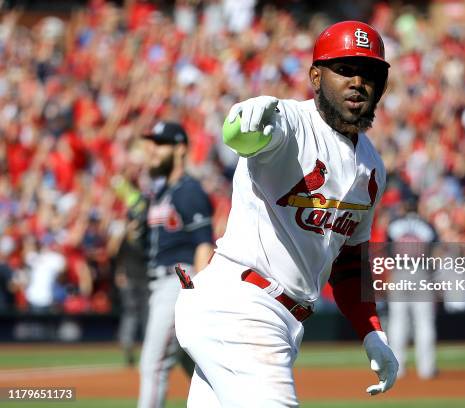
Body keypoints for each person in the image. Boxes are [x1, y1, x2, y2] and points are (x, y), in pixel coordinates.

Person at [175, 21, 399, 407]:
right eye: (344, 69)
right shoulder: (292, 123)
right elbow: (247, 135)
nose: (358, 81)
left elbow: (348, 263)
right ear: (315, 75)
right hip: (242, 306)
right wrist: (242, 122)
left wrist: (371, 331)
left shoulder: (373, 167)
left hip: (277, 320)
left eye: (369, 72)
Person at [138, 121, 215, 408]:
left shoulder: (188, 190)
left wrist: (195, 293)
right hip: (160, 282)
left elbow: (204, 243)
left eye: (160, 143)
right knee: (197, 367)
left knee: (153, 363)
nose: (152, 149)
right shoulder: (161, 192)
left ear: (180, 149)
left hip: (179, 278)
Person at [386, 196, 439, 380]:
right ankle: (427, 369)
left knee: (397, 321)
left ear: (404, 206)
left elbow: (387, 252)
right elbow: (436, 253)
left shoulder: (394, 224)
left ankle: (397, 369)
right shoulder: (427, 225)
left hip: (400, 272)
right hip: (421, 273)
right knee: (424, 322)